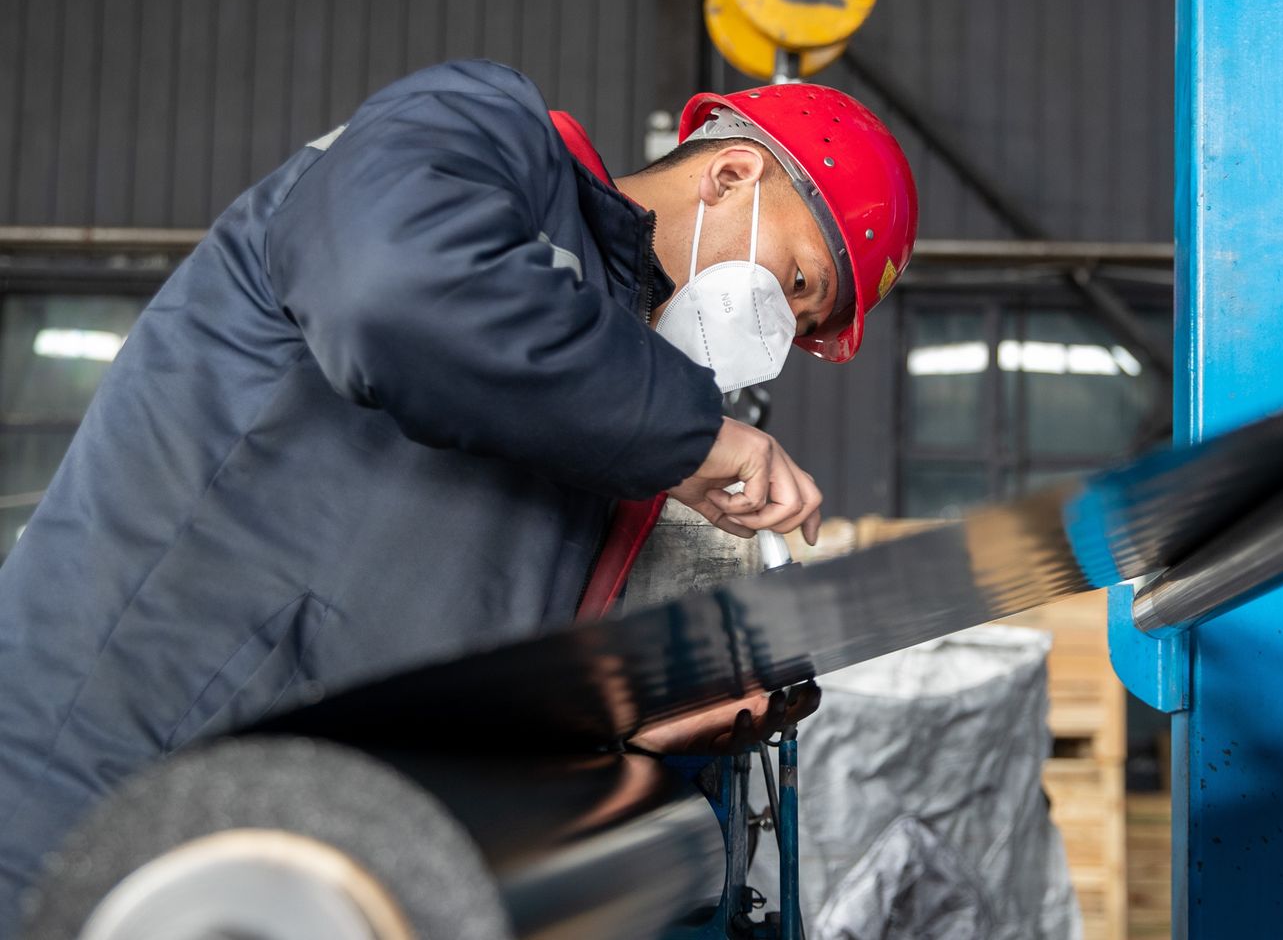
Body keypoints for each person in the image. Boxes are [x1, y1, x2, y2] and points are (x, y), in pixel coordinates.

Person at [0, 59, 918, 926]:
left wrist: (646, 711)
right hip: (98, 792)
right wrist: (695, 438)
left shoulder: (619, 415)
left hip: (302, 855)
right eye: (797, 284)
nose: (777, 328)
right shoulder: (481, 134)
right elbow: (389, 294)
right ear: (731, 175)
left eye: (800, 327)